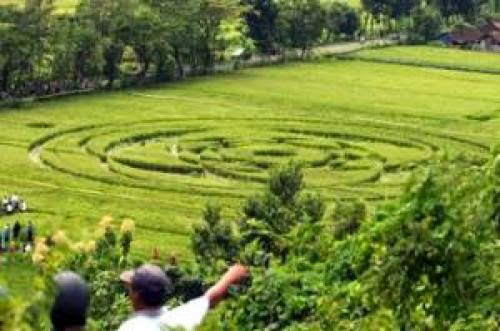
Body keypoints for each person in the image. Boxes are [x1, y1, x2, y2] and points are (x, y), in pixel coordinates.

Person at [118, 264, 249, 331]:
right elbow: (210, 298)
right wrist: (233, 274)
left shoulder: (130, 328)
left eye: (130, 288)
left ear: (137, 295)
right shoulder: (179, 318)